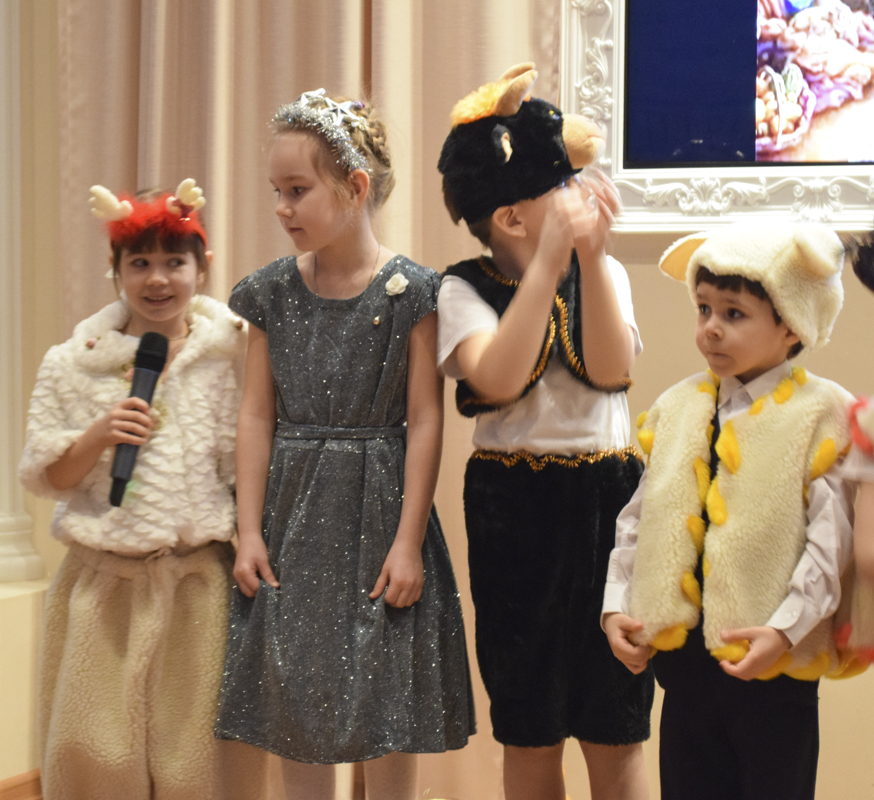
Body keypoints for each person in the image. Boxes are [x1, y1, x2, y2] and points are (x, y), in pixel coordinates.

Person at [214, 89, 474, 800]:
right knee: (297, 699)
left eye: (297, 190)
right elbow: (256, 415)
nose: (282, 207)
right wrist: (247, 532)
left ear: (355, 188)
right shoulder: (269, 294)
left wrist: (408, 542)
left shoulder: (413, 293)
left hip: (380, 519)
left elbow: (424, 419)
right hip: (293, 523)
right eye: (276, 191)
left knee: (386, 696)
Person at [436, 63, 653, 800]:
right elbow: (496, 377)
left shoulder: (605, 273)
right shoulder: (462, 287)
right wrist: (548, 266)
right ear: (511, 218)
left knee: (616, 722)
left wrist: (589, 258)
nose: (581, 193)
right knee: (529, 724)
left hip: (610, 500)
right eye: (563, 184)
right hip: (514, 509)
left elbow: (613, 368)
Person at [19, 180, 264, 800]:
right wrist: (97, 436)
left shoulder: (235, 354)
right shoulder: (71, 363)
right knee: (95, 753)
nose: (158, 279)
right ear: (116, 270)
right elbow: (50, 477)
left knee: (199, 760)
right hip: (104, 586)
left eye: (174, 262)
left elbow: (252, 463)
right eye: (140, 263)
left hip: (200, 584)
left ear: (202, 268)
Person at [603, 221, 857, 800]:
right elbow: (639, 521)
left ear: (790, 324)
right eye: (703, 309)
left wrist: (785, 631)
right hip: (686, 674)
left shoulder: (822, 415)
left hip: (775, 670)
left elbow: (830, 545)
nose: (711, 328)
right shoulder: (678, 407)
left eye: (734, 314)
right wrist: (618, 605)